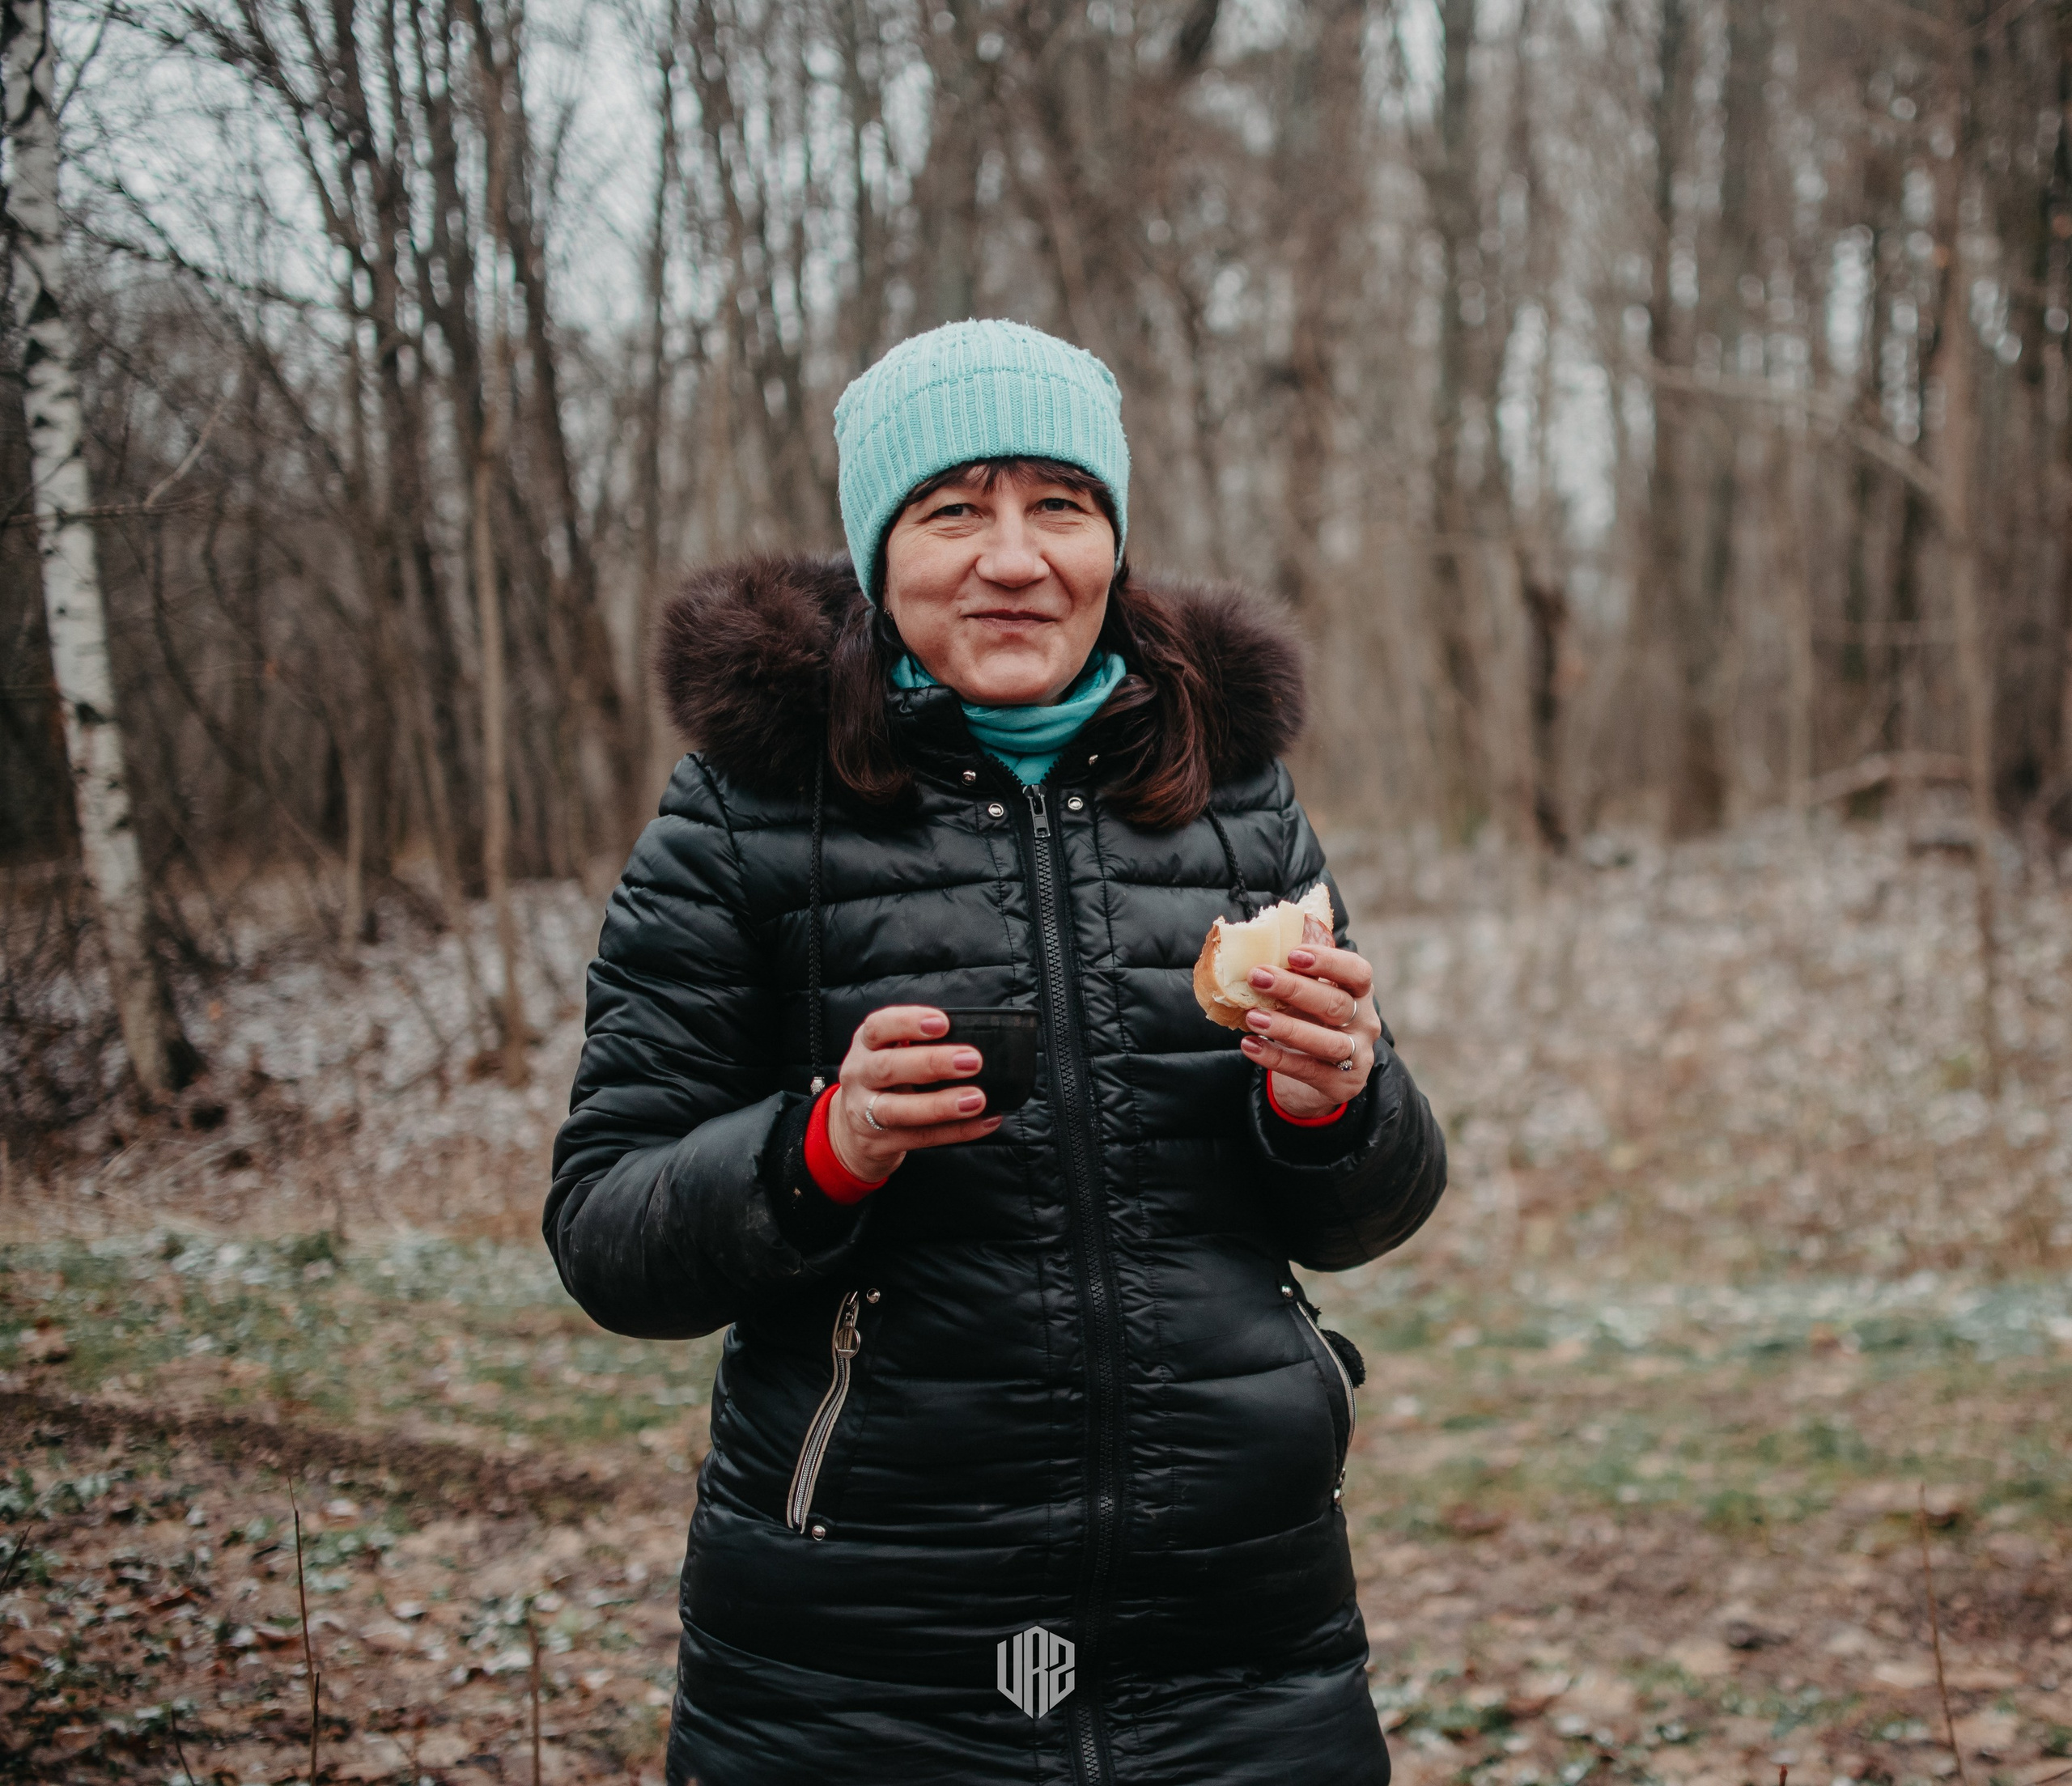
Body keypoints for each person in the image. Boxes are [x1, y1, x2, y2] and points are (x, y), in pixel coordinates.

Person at [546, 319, 1447, 1785]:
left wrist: (1337, 1104)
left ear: (1114, 543)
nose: (1015, 558)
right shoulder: (737, 821)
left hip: (1238, 1636)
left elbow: (1364, 1213)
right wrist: (819, 1151)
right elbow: (606, 1235)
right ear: (878, 549)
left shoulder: (1234, 802)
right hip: (860, 1660)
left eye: (1063, 506)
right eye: (955, 509)